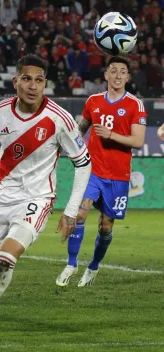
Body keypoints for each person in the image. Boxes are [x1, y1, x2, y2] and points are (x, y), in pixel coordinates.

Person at [0, 55, 91, 341]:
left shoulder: (59, 119)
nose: (33, 86)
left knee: (6, 258)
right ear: (16, 82)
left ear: (45, 84)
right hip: (0, 194)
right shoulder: (0, 111)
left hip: (36, 198)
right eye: (27, 78)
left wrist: (70, 211)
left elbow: (83, 163)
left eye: (39, 80)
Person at [56, 56, 147, 287]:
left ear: (127, 77)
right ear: (105, 75)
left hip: (118, 176)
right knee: (80, 213)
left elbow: (138, 140)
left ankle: (93, 267)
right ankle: (71, 263)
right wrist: (66, 144)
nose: (117, 75)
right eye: (113, 71)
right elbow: (80, 130)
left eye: (122, 71)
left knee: (105, 227)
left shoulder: (135, 105)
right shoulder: (93, 101)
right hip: (92, 170)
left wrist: (111, 135)